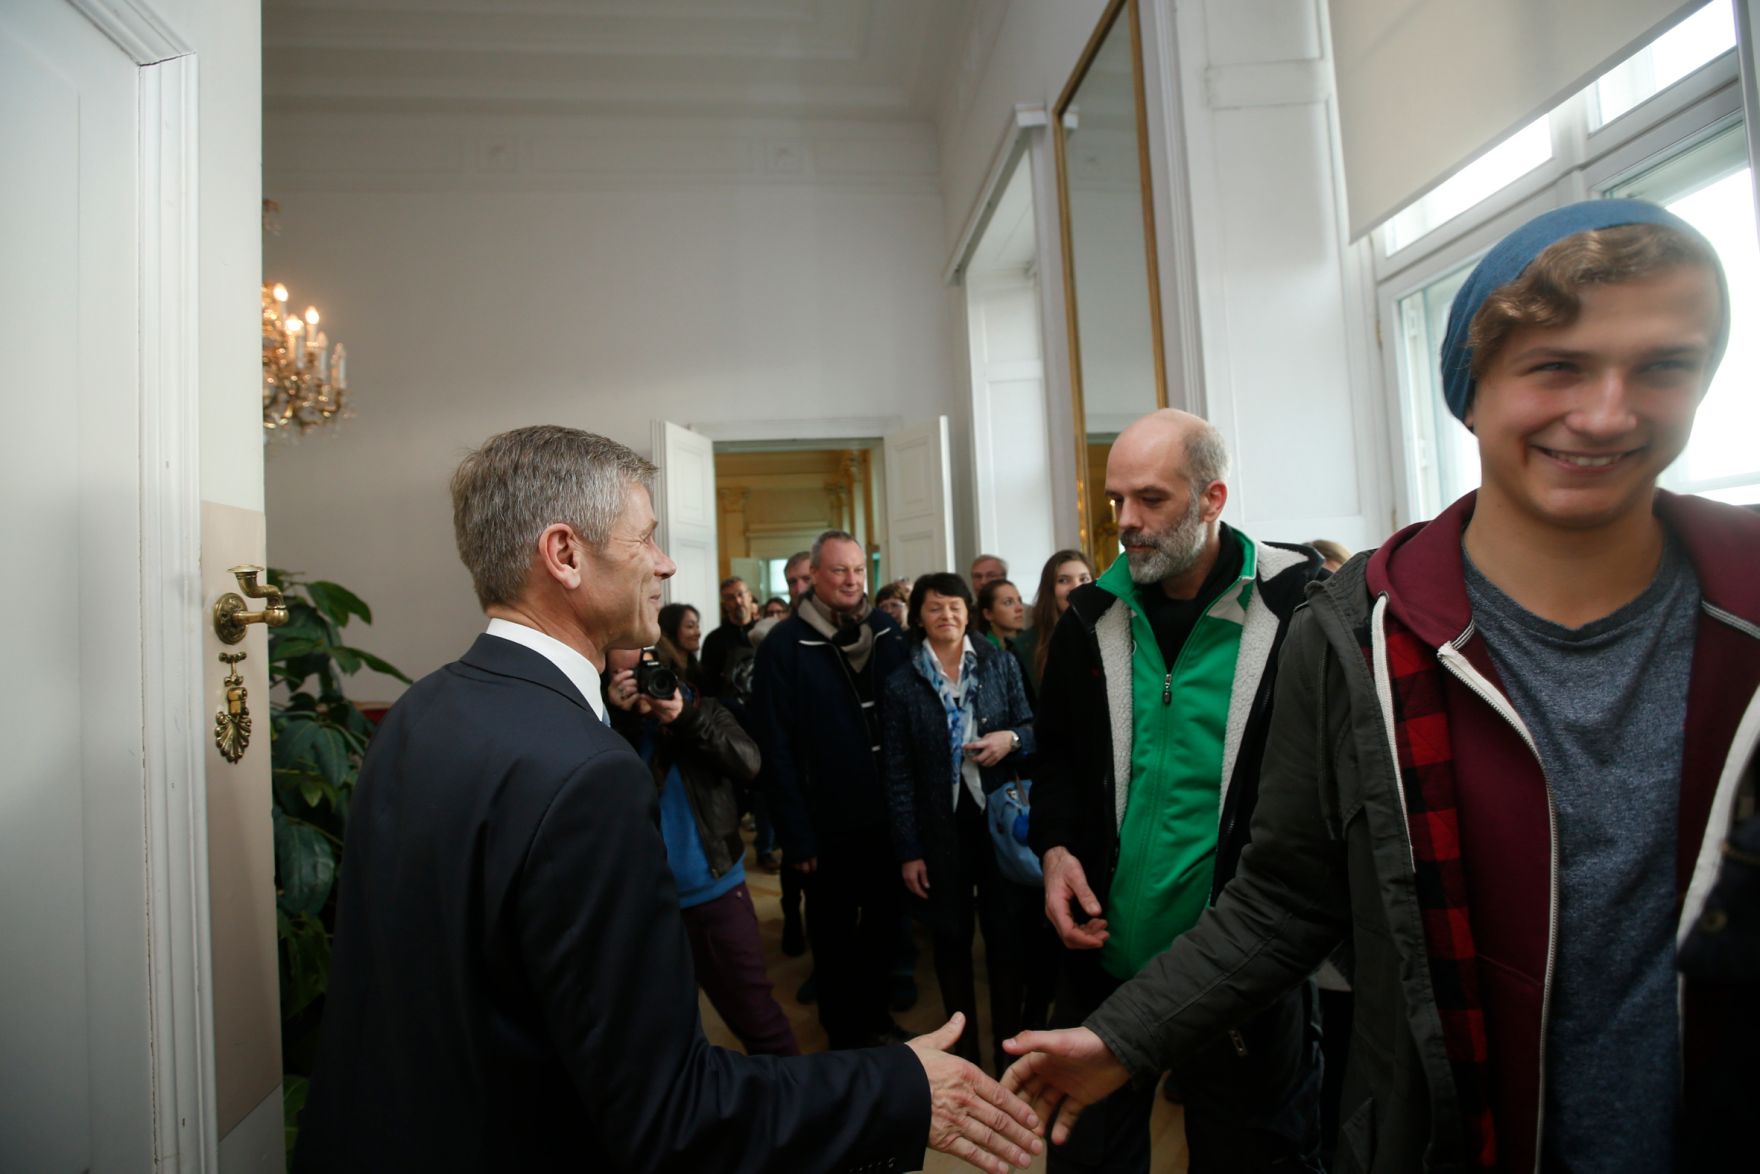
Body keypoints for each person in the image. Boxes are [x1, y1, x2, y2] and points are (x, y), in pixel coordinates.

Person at [1002, 200, 1758, 1173]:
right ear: (1471, 391)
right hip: (1422, 1124)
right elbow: (1285, 890)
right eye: (1555, 366)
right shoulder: (1364, 629)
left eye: (1662, 365)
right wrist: (1122, 1028)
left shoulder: (1740, 614)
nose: (1608, 411)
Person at [293, 425, 1041, 1174]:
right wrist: (900, 1087)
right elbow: (668, 1112)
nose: (665, 562)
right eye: (644, 539)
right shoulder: (587, 774)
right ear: (564, 555)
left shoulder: (419, 711)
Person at [1024, 409, 1326, 1172]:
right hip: (1104, 960)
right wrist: (1056, 849)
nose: (1127, 522)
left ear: (1212, 497)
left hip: (1242, 980)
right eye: (1115, 500)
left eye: (1151, 500)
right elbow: (1055, 759)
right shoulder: (1092, 617)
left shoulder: (1301, 611)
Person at [755, 529, 912, 1049]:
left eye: (858, 570)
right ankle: (843, 1034)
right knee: (834, 933)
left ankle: (875, 1017)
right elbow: (774, 747)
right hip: (826, 821)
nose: (851, 580)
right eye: (840, 570)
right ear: (815, 577)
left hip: (888, 814)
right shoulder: (783, 644)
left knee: (886, 927)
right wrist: (794, 835)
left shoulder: (886, 631)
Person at [604, 645, 797, 1057]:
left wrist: (683, 718)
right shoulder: (600, 722)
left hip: (716, 892)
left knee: (758, 1018)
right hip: (644, 903)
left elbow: (749, 763)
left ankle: (799, 1115)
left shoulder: (702, 709)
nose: (638, 674)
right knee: (664, 1035)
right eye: (621, 662)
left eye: (643, 662)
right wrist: (618, 719)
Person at [882, 573, 1038, 1074]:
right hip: (938, 827)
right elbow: (898, 772)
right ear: (919, 617)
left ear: (969, 613)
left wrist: (1009, 740)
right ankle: (964, 1058)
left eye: (954, 607)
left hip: (996, 818)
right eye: (934, 608)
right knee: (950, 941)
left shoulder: (999, 663)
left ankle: (1008, 1051)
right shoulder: (903, 682)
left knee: (1006, 939)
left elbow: (1034, 730)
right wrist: (909, 849)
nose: (946, 616)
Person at [1013, 550, 1094, 699]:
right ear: (1050, 589)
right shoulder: (1025, 645)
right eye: (1063, 580)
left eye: (1084, 579)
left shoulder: (1110, 635)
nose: (1076, 587)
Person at [701, 576, 757, 696]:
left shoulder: (765, 633)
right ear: (725, 604)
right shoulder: (713, 640)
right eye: (730, 598)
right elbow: (708, 684)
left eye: (740, 594)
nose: (738, 601)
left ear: (750, 596)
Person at [655, 601, 705, 693]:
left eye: (697, 626)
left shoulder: (696, 669)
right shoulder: (663, 672)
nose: (698, 633)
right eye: (690, 626)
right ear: (671, 630)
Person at [975, 578, 1027, 652]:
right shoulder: (978, 649)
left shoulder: (1034, 642)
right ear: (988, 614)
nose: (1020, 608)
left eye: (1019, 601)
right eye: (1008, 602)